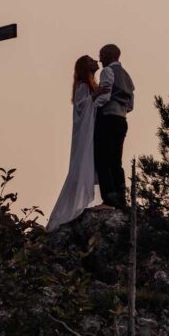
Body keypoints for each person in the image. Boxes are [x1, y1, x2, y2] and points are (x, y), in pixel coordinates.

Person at [47, 55, 108, 231]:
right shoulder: (82, 86)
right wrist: (95, 95)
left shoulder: (90, 86)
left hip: (93, 130)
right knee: (81, 166)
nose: (95, 61)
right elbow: (81, 107)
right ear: (84, 67)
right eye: (90, 61)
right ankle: (67, 211)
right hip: (85, 134)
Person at [93, 44, 135, 210]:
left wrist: (92, 106)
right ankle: (120, 198)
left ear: (110, 55)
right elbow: (131, 104)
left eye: (102, 55)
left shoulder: (107, 72)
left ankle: (109, 199)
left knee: (103, 158)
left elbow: (105, 95)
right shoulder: (127, 76)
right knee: (116, 159)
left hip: (107, 118)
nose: (100, 59)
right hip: (121, 119)